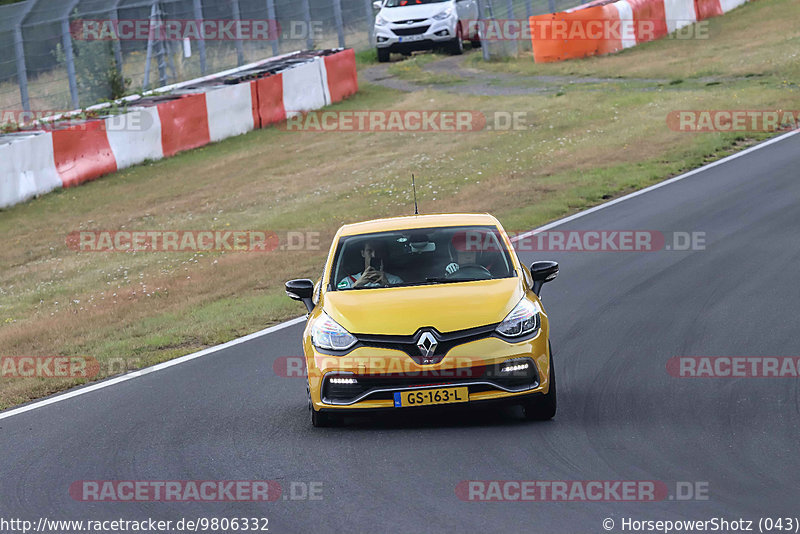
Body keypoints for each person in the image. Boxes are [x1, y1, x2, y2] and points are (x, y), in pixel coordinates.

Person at [338, 241, 403, 289]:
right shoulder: (348, 282)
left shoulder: (395, 281)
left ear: (383, 254)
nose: (374, 255)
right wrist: (356, 285)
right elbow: (338, 302)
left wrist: (387, 285)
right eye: (369, 251)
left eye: (378, 251)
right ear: (363, 253)